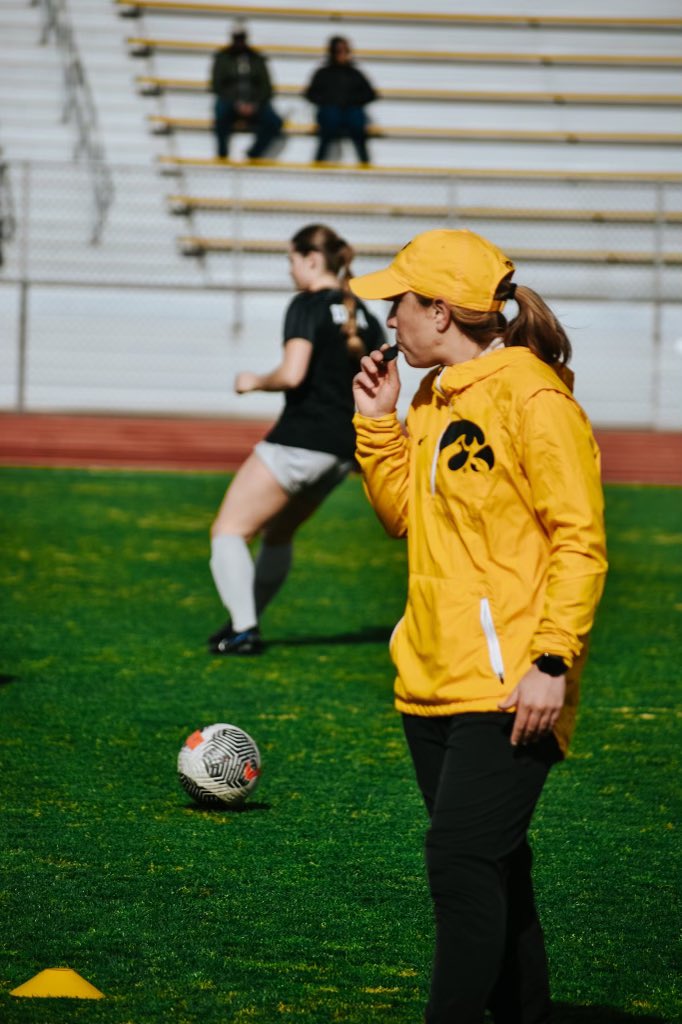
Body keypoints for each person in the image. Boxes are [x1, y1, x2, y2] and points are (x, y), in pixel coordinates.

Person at [350, 228, 608, 1024]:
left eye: (400, 302)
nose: (388, 317)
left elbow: (580, 541)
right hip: (429, 679)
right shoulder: (432, 397)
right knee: (497, 870)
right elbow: (404, 519)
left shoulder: (534, 398)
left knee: (460, 861)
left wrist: (552, 660)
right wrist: (378, 426)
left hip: (512, 686)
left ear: (442, 311)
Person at [208, 223, 385, 655]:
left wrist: (254, 381)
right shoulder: (365, 315)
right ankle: (241, 622)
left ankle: (245, 629)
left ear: (311, 259)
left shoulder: (306, 304)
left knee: (228, 531)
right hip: (342, 451)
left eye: (291, 260)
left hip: (299, 439)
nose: (289, 270)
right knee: (279, 535)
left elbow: (292, 374)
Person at [210, 19, 283, 160]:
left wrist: (254, 104)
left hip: (255, 103)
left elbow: (266, 87)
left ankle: (254, 153)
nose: (239, 42)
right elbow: (217, 85)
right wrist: (236, 103)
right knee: (220, 113)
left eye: (241, 38)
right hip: (230, 101)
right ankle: (222, 154)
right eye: (237, 38)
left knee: (274, 122)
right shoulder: (222, 57)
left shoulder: (256, 58)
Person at [304, 36, 378, 164]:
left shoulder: (355, 73)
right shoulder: (323, 73)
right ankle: (319, 161)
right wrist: (329, 100)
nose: (343, 54)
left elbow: (370, 94)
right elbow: (310, 94)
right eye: (339, 51)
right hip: (330, 111)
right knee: (330, 118)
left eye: (346, 51)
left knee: (357, 121)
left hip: (351, 111)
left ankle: (365, 162)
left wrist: (351, 101)